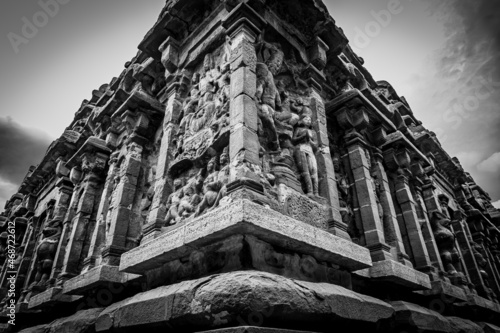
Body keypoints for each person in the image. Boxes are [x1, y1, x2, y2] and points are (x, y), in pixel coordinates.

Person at [292, 115, 319, 197]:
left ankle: (316, 192)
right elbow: (293, 140)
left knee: (313, 169)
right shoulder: (298, 129)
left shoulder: (313, 132)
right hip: (301, 148)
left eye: (309, 119)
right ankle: (309, 190)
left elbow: (316, 145)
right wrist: (303, 136)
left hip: (309, 149)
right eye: (306, 118)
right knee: (305, 169)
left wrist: (310, 141)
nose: (308, 120)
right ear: (301, 120)